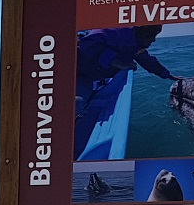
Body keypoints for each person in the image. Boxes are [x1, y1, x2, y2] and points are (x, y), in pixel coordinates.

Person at [74, 25, 178, 160]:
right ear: (144, 32)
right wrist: (117, 63)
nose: (153, 41)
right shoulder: (118, 31)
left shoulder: (136, 43)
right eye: (153, 35)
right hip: (80, 72)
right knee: (77, 103)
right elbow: (87, 44)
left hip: (93, 75)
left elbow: (146, 60)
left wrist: (167, 75)